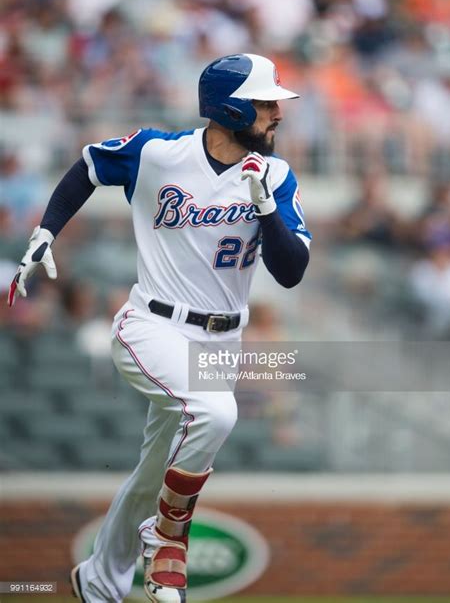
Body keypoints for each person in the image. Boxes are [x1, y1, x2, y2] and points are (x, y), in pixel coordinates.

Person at [8, 53, 312, 603]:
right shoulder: (158, 152)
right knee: (216, 413)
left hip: (223, 339)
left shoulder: (277, 176)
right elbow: (89, 165)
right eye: (266, 101)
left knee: (154, 475)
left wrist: (265, 208)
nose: (277, 112)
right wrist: (47, 230)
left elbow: (291, 273)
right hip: (152, 324)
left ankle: (100, 582)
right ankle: (169, 539)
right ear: (231, 107)